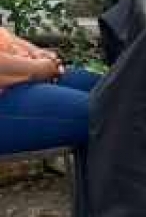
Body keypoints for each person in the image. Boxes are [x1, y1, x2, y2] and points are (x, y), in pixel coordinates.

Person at [0, 27, 101, 215]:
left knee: (112, 89)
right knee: (107, 113)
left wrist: (36, 52)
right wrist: (38, 69)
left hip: (13, 78)